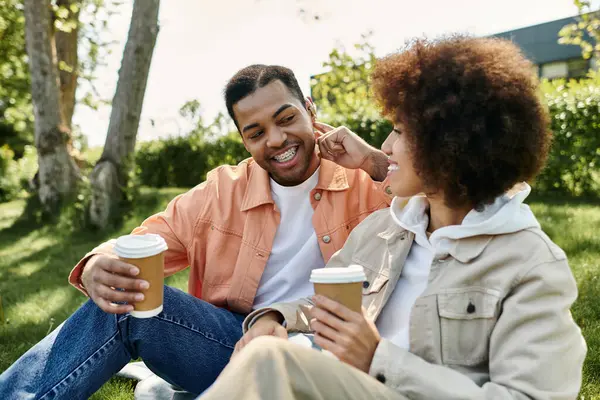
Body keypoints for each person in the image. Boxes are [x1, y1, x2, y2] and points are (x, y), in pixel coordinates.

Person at [198, 36, 587, 400]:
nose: (385, 145)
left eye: (399, 132)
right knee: (267, 352)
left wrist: (378, 358)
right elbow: (324, 304)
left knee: (271, 363)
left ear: (452, 145)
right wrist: (274, 317)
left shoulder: (529, 265)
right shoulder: (384, 229)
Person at [0, 65, 394, 398]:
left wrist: (376, 163)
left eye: (287, 118)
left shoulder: (369, 175)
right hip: (235, 348)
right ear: (243, 139)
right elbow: (145, 242)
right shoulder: (220, 192)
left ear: (310, 110)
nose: (276, 140)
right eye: (256, 132)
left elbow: (445, 210)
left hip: (332, 356)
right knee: (130, 304)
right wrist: (98, 264)